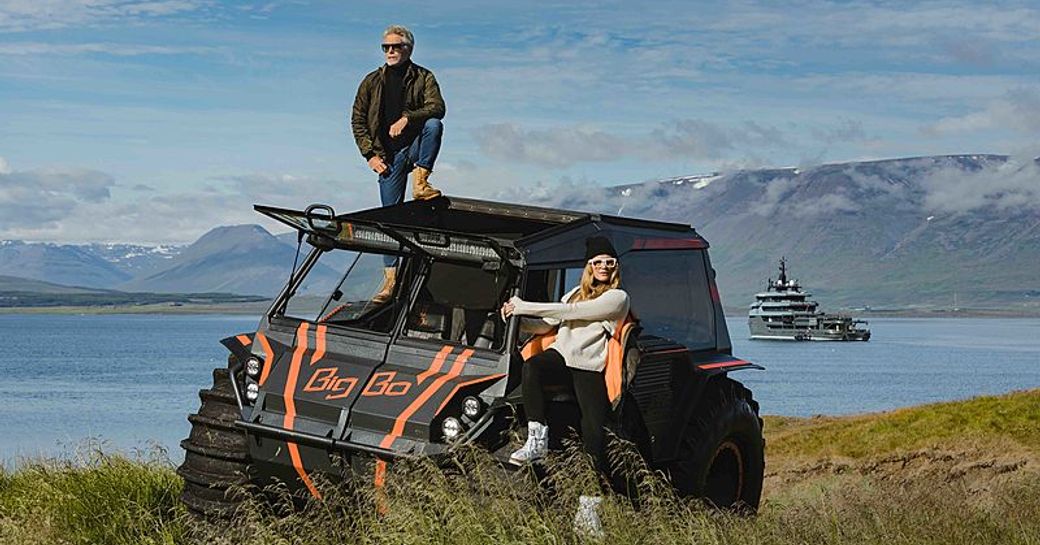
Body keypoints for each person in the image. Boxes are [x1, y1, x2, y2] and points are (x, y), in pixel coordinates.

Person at [500, 236, 630, 468]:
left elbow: (572, 311)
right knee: (533, 368)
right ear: (589, 266)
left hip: (588, 365)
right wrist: (516, 319)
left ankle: (591, 501)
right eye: (598, 262)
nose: (603, 267)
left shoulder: (617, 298)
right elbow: (547, 324)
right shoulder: (573, 293)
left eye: (609, 262)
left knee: (594, 433)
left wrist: (524, 305)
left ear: (615, 267)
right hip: (561, 356)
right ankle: (537, 442)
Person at [351, 24, 446, 303]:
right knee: (389, 219)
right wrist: (370, 155)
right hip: (387, 158)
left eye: (396, 46)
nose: (390, 51)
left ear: (409, 48)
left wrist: (407, 117)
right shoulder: (371, 81)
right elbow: (358, 121)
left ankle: (421, 181)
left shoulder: (423, 77)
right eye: (386, 47)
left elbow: (437, 107)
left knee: (433, 125)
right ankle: (390, 282)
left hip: (413, 148)